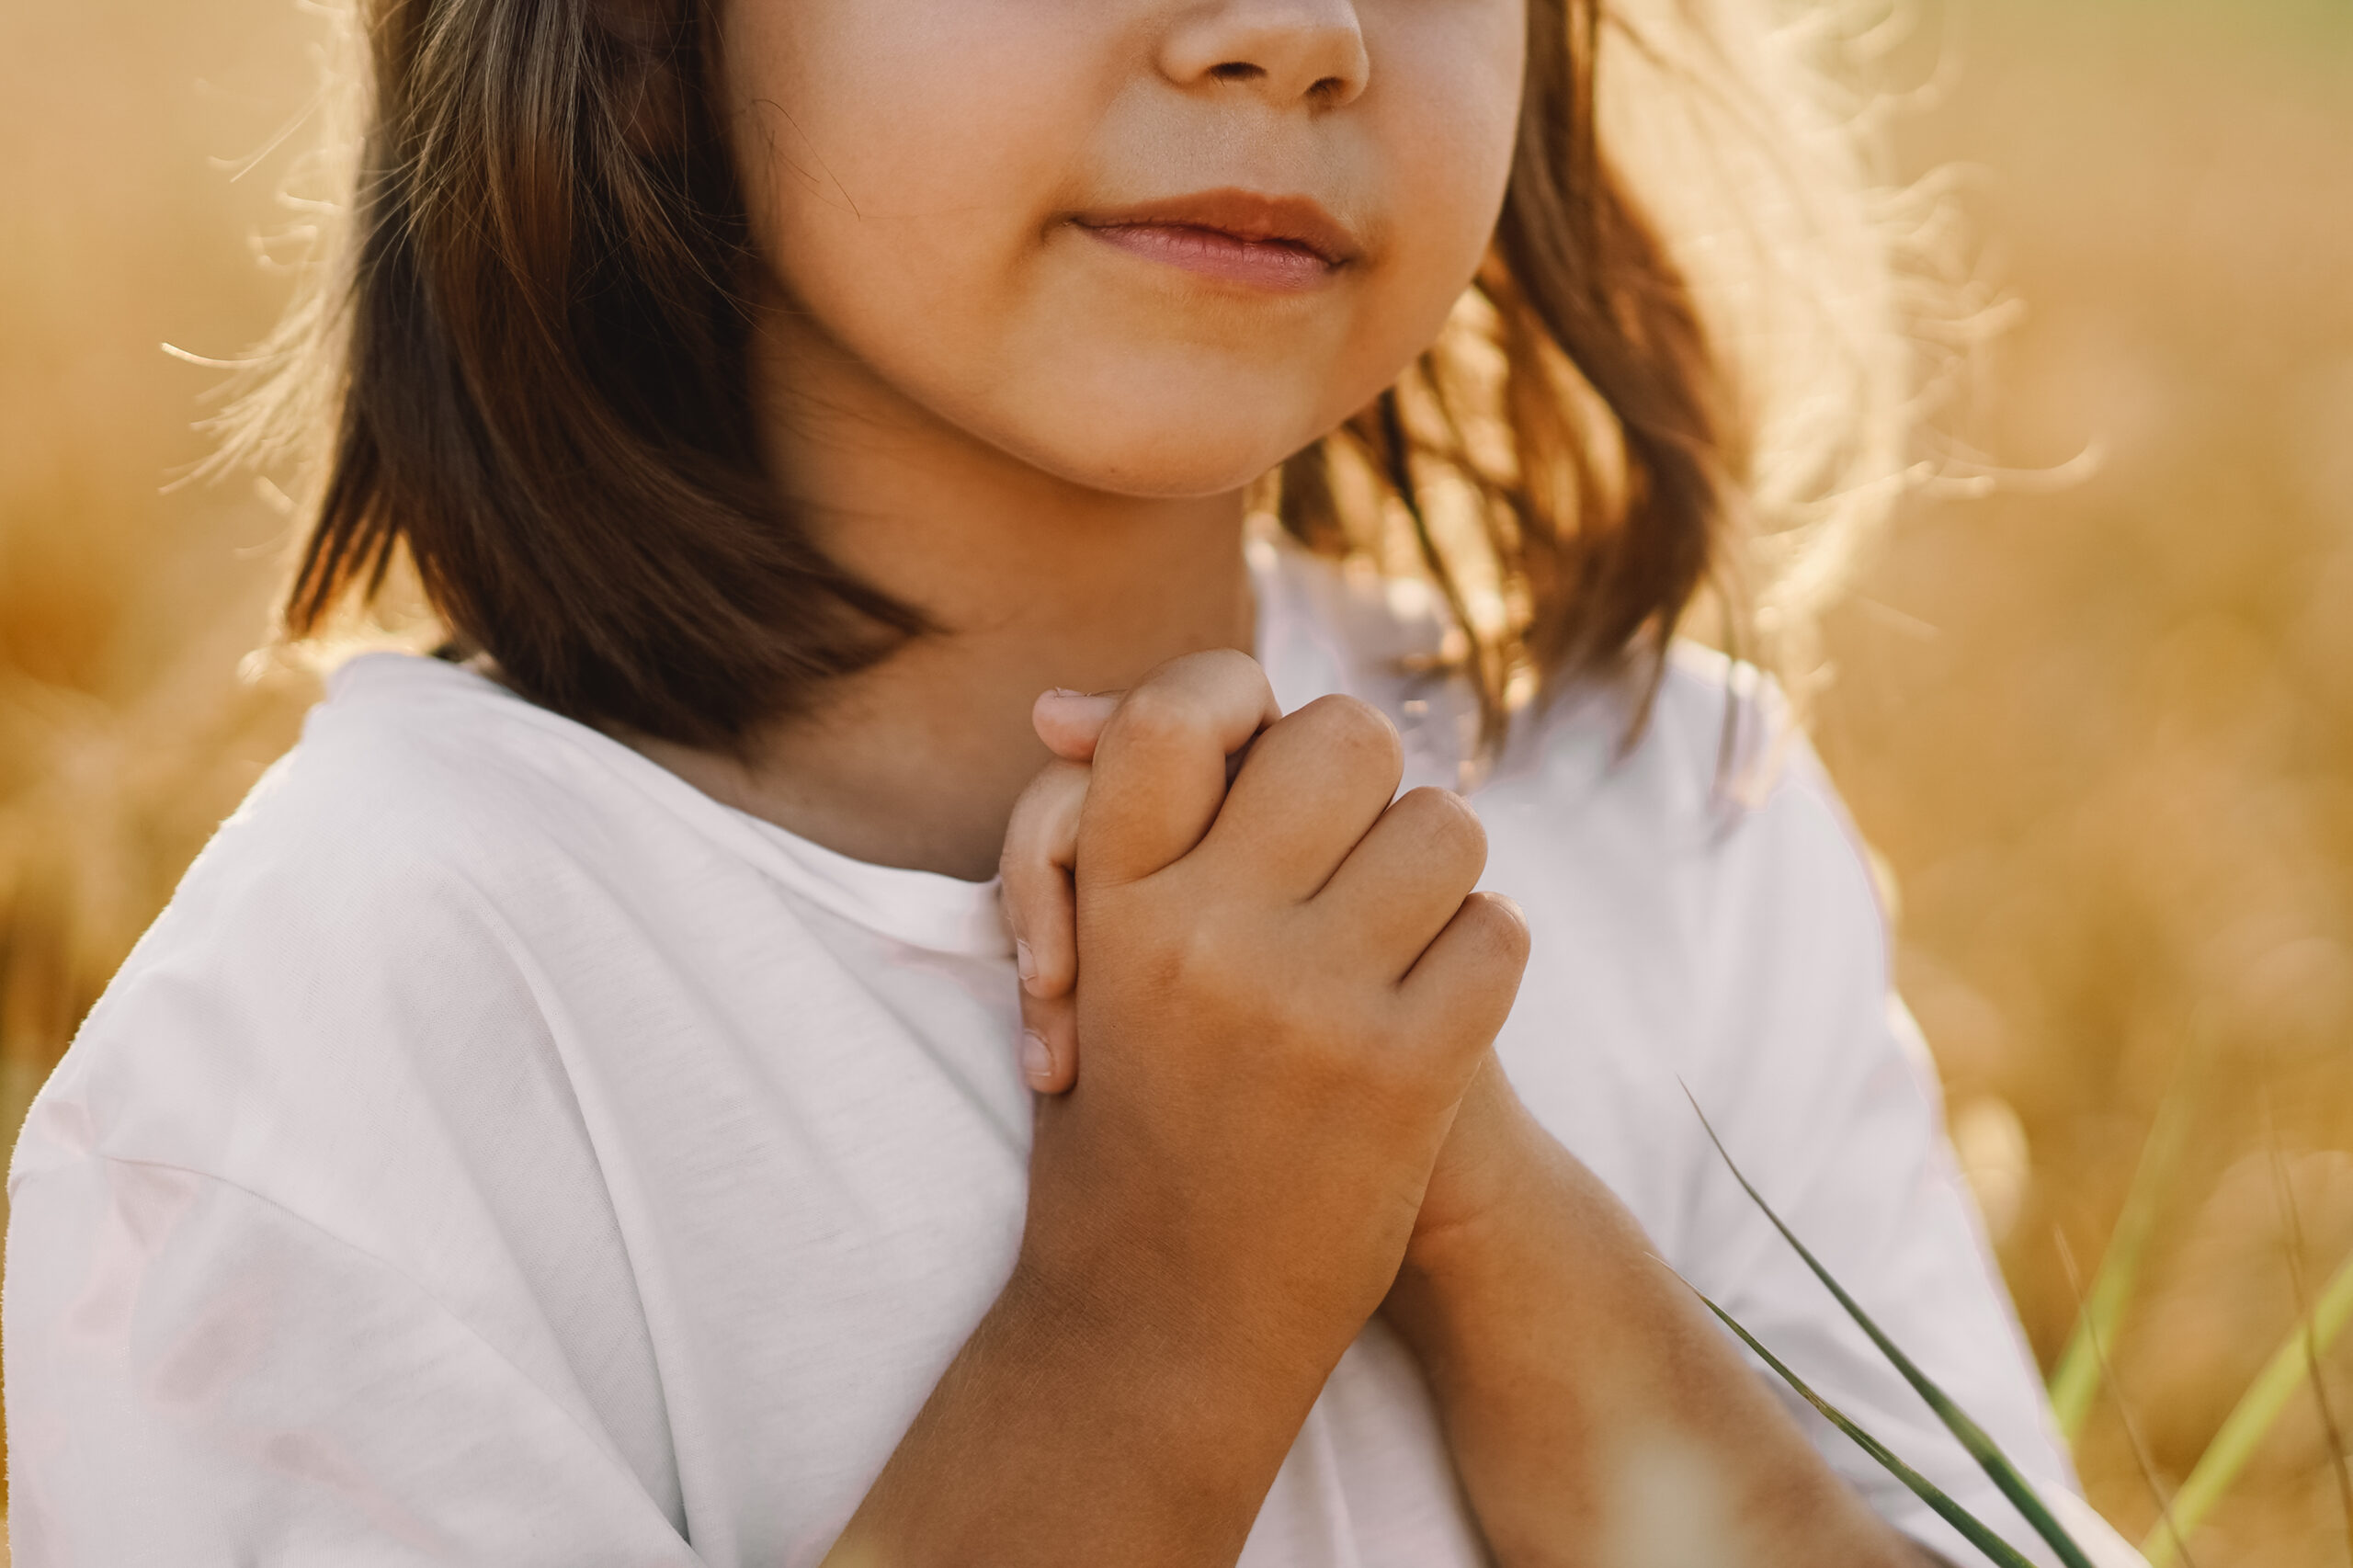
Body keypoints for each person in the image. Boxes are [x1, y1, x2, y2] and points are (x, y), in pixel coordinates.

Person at [3, 0, 2131, 1563]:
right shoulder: (343, 1043)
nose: (1299, 39)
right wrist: (1157, 1310)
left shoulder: (1669, 804)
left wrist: (1494, 1221)